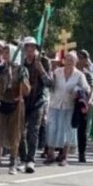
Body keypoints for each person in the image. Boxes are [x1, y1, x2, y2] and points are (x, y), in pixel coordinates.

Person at [0, 43, 28, 176]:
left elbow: (26, 90)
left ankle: (12, 163)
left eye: (7, 53)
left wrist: (22, 81)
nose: (5, 55)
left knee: (15, 135)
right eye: (4, 53)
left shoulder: (22, 70)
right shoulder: (0, 69)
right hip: (2, 103)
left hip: (16, 105)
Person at [45, 52, 90, 166]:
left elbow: (87, 89)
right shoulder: (57, 71)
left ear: (76, 62)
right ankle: (50, 154)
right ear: (64, 60)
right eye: (68, 59)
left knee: (67, 130)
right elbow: (50, 84)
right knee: (52, 128)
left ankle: (64, 156)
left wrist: (77, 89)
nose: (69, 62)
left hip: (69, 105)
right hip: (55, 103)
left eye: (72, 60)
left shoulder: (79, 75)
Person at [19, 37, 53, 173]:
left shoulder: (44, 62)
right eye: (27, 47)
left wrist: (41, 70)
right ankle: (23, 158)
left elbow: (49, 83)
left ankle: (31, 160)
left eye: (32, 47)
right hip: (23, 101)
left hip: (38, 100)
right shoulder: (21, 63)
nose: (29, 50)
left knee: (33, 131)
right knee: (20, 131)